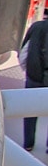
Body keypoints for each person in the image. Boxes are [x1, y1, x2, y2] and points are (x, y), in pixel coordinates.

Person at [21, 13, 48, 151]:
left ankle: (29, 144)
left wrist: (27, 69)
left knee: (30, 111)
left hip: (34, 76)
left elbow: (24, 50)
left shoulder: (35, 27)